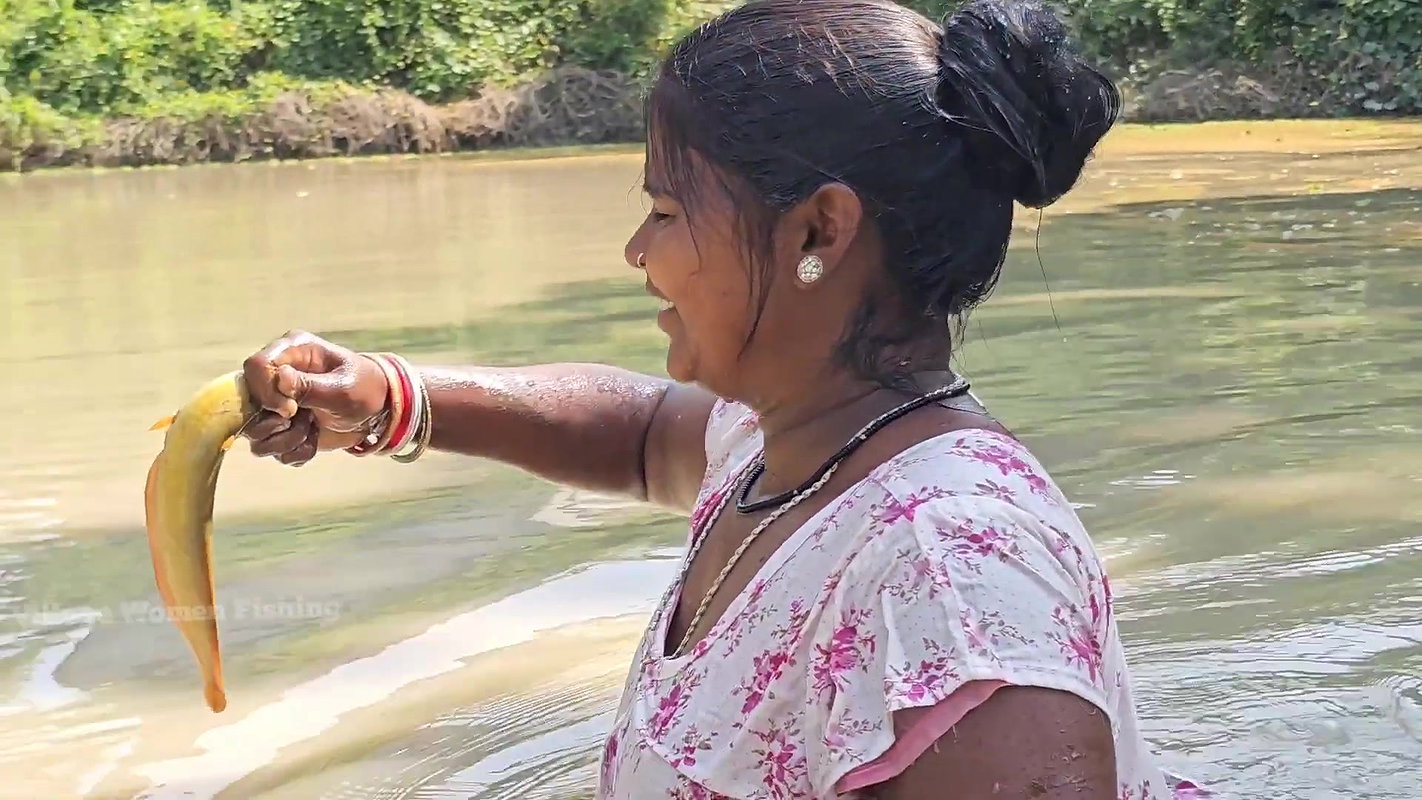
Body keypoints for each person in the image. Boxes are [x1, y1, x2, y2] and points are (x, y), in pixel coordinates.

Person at [238, 1, 1207, 797]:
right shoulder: (784, 439)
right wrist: (389, 398)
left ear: (817, 231)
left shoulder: (950, 574)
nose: (637, 251)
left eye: (666, 210)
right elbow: (641, 433)